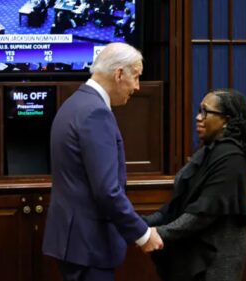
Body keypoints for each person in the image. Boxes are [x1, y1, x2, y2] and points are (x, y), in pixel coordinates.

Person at [42, 42, 164, 281]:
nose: (138, 87)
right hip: (89, 244)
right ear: (119, 74)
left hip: (74, 242)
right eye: (136, 77)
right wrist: (142, 234)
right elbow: (107, 191)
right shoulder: (95, 113)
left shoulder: (75, 103)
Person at [143, 88, 246, 281]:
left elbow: (203, 213)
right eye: (200, 111)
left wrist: (159, 233)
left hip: (215, 256)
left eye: (206, 112)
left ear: (226, 119)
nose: (199, 118)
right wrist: (141, 223)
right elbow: (178, 204)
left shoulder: (232, 157)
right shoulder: (208, 150)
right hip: (193, 248)